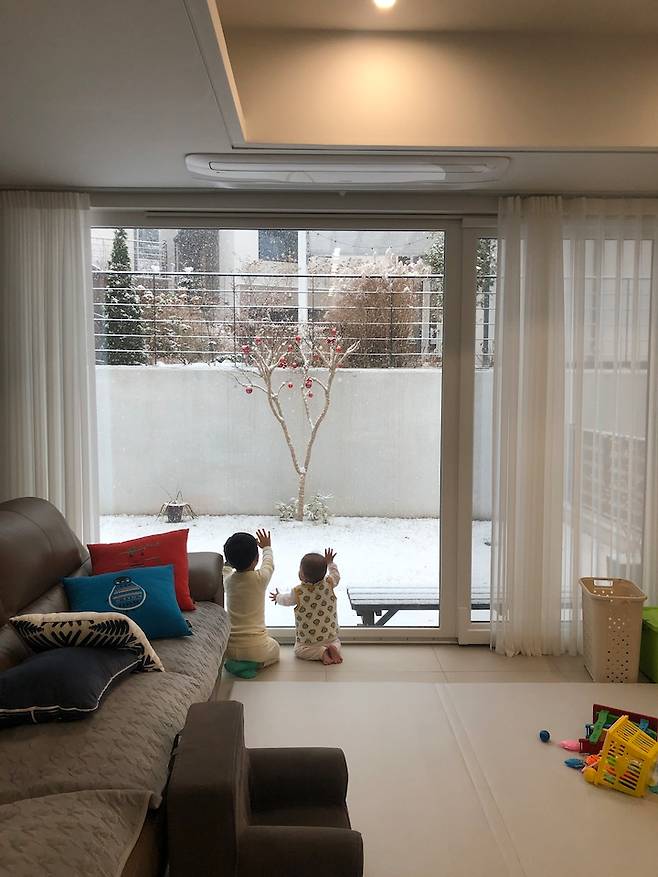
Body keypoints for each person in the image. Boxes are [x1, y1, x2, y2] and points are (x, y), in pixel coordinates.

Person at [270, 548, 342, 665]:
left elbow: (286, 600)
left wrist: (277, 597)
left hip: (309, 639)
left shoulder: (298, 592)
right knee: (336, 641)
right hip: (330, 634)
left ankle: (321, 653)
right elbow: (336, 575)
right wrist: (330, 563)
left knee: (299, 650)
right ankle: (334, 648)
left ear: (302, 575)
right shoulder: (329, 583)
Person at [223, 529, 278, 679]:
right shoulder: (260, 579)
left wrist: (229, 560)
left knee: (250, 650)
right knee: (275, 648)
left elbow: (226, 569)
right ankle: (252, 665)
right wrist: (267, 547)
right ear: (256, 559)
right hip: (256, 648)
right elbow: (269, 564)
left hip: (229, 647)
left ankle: (235, 662)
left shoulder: (228, 581)